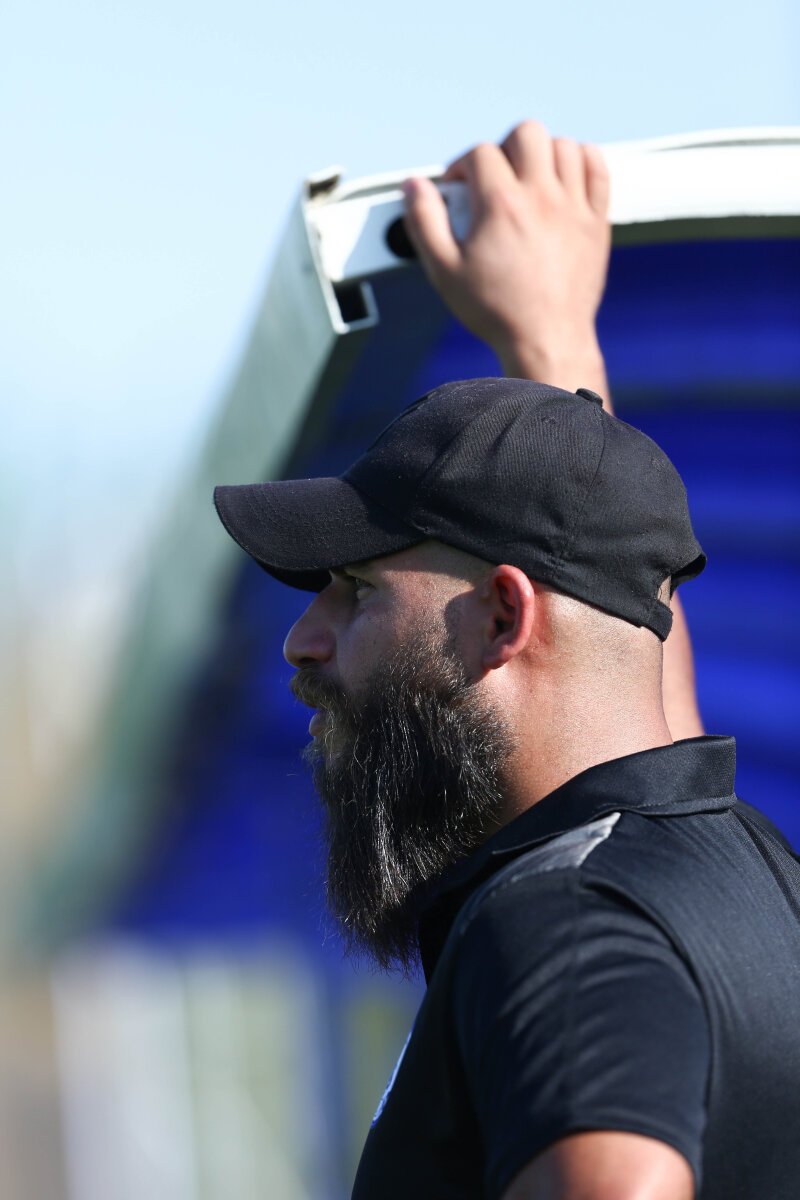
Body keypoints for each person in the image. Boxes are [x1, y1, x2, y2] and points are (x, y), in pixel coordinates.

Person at [214, 122, 800, 1200]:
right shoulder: (743, 867)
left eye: (356, 590)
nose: (302, 638)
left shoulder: (562, 921)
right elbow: (631, 651)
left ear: (500, 619)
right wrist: (551, 337)